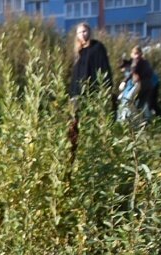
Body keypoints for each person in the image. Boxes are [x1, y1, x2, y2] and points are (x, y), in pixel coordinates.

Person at [68, 23, 112, 161]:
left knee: (92, 123)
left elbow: (104, 69)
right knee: (75, 125)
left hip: (92, 93)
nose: (83, 34)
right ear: (77, 35)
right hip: (77, 95)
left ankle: (95, 155)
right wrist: (72, 94)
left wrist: (104, 90)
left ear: (89, 32)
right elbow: (76, 76)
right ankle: (74, 154)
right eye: (80, 32)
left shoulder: (97, 47)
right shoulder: (78, 51)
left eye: (85, 31)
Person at [131, 45, 161, 120]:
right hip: (147, 83)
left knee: (151, 101)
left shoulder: (143, 62)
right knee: (144, 102)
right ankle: (152, 117)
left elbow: (146, 74)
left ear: (140, 53)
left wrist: (138, 77)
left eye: (137, 53)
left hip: (153, 83)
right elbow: (133, 73)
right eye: (135, 53)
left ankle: (158, 117)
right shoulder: (135, 62)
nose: (136, 55)